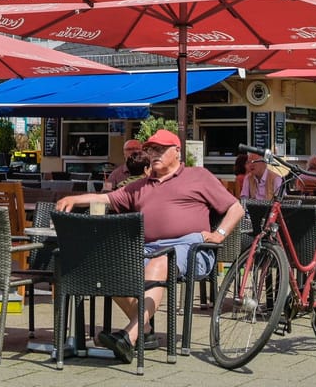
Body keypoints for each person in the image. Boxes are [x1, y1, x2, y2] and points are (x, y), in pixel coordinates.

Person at [55, 129, 243, 363]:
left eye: (161, 149)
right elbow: (107, 199)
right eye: (151, 149)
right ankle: (143, 330)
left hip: (191, 246)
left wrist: (219, 234)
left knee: (160, 261)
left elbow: (236, 208)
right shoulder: (141, 185)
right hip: (148, 247)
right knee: (104, 266)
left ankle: (128, 337)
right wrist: (73, 199)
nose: (154, 154)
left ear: (177, 151)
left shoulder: (198, 176)